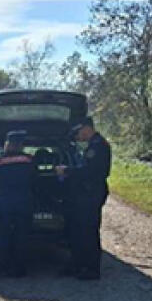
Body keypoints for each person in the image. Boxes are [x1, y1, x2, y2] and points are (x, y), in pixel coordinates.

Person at [55, 117, 111, 280]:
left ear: (87, 128)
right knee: (77, 231)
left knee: (88, 232)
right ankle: (77, 264)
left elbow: (90, 171)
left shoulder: (99, 146)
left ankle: (91, 269)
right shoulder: (93, 145)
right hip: (84, 195)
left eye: (78, 133)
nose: (78, 137)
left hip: (91, 194)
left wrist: (68, 171)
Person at [0, 129, 35, 277]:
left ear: (8, 144)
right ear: (21, 145)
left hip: (5, 201)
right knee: (21, 235)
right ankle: (19, 269)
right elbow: (35, 180)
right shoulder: (29, 160)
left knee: (4, 234)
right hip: (24, 201)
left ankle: (3, 267)